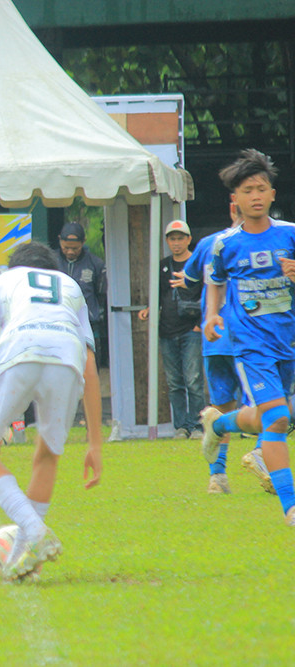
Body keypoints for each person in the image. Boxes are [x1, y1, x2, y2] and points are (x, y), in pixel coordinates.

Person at [0, 241, 103, 582]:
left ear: (13, 267)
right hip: (68, 357)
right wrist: (95, 443)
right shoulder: (69, 287)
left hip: (19, 349)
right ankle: (27, 563)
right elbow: (90, 365)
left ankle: (33, 530)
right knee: (46, 456)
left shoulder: (3, 281)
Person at [199, 148, 295, 526]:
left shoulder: (290, 235)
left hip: (286, 342)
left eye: (262, 188)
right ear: (235, 200)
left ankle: (219, 424)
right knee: (278, 420)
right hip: (250, 344)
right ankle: (290, 508)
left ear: (273, 194)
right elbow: (215, 281)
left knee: (264, 417)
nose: (255, 195)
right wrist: (211, 315)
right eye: (247, 190)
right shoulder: (226, 244)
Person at [175, 205, 268, 495]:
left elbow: (188, 282)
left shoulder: (206, 244)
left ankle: (218, 478)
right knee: (271, 403)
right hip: (250, 336)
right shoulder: (264, 243)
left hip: (214, 339)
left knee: (224, 405)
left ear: (230, 208)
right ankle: (261, 454)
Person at [138, 220, 204, 440]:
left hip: (191, 329)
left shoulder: (197, 263)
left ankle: (197, 425)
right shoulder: (162, 265)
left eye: (180, 238)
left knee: (193, 379)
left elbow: (208, 293)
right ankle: (181, 426)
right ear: (167, 241)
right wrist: (149, 309)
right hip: (167, 330)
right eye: (172, 239)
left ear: (188, 239)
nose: (176, 243)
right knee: (175, 382)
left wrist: (200, 324)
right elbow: (158, 294)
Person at [54, 221, 107, 366]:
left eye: (75, 248)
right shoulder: (51, 262)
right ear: (59, 240)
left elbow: (101, 293)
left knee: (89, 365)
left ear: (83, 242)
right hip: (58, 323)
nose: (70, 252)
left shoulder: (96, 264)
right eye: (66, 248)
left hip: (88, 324)